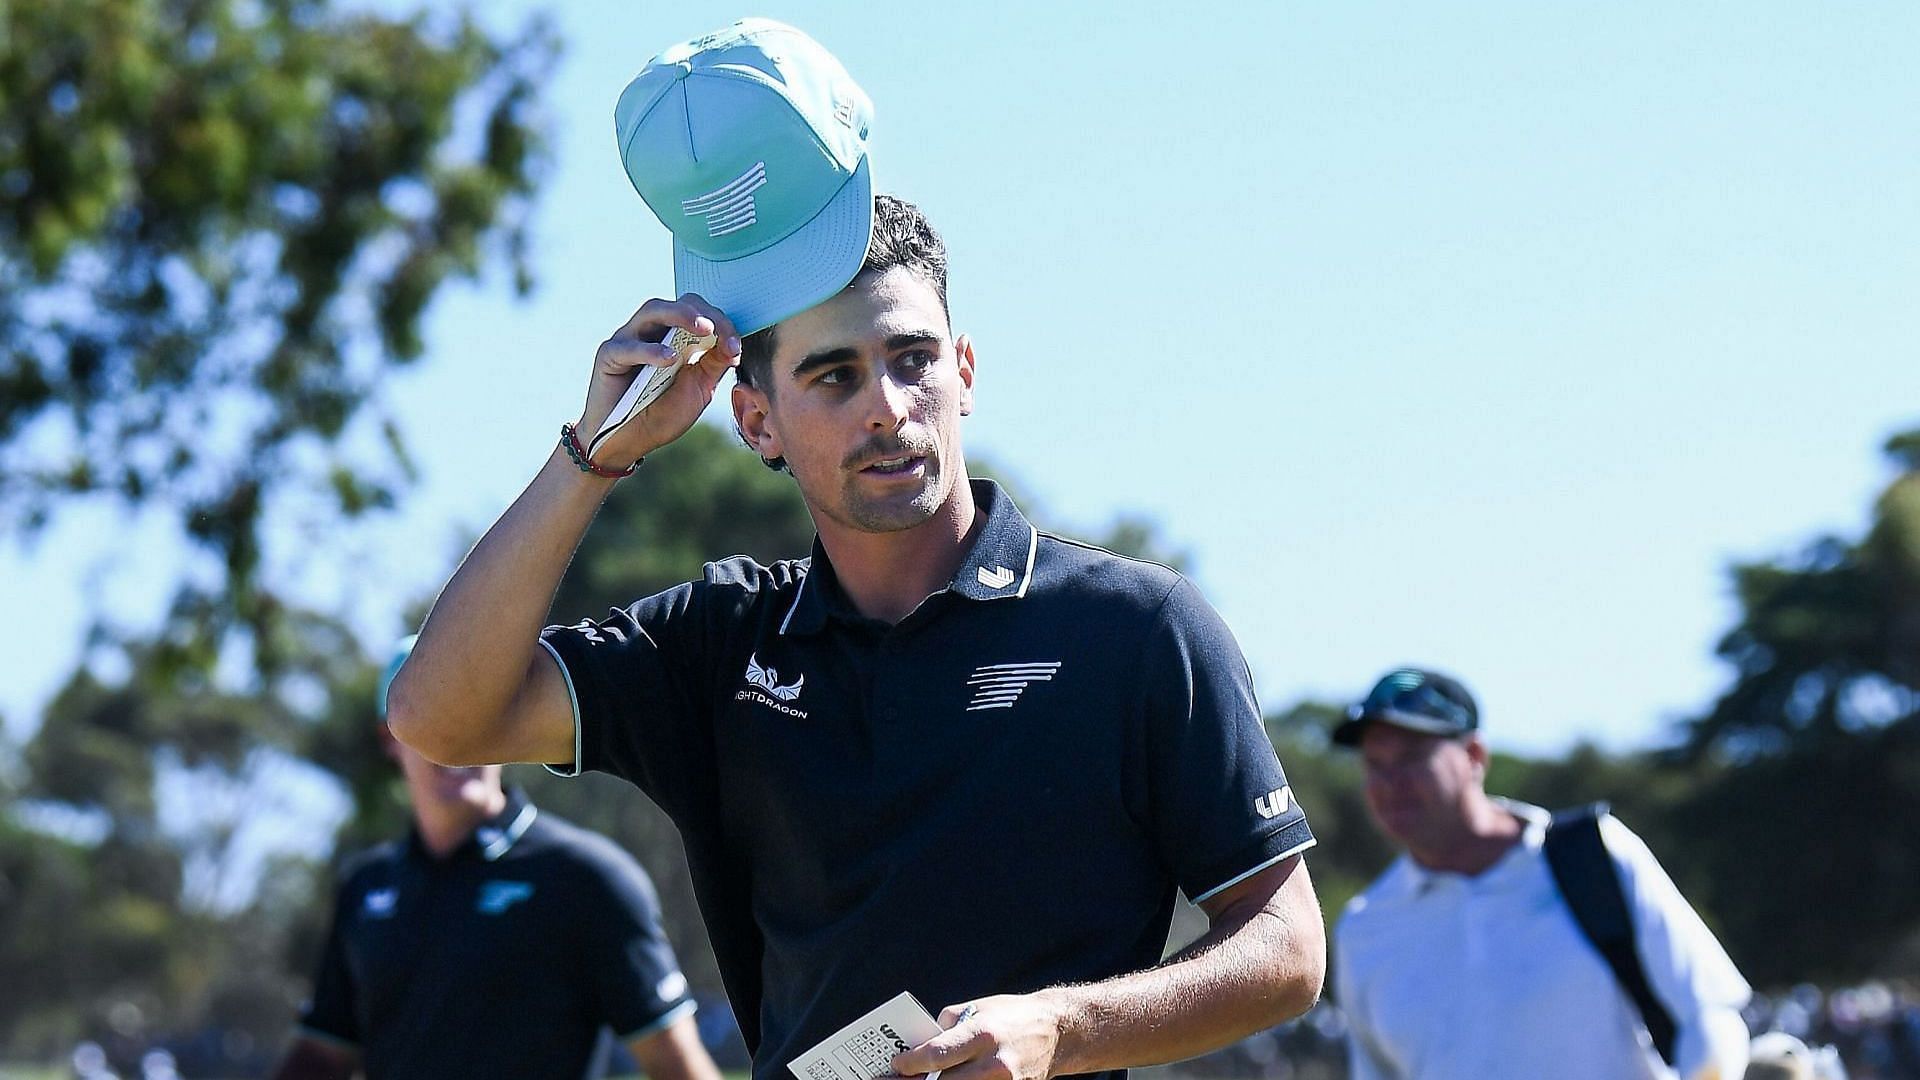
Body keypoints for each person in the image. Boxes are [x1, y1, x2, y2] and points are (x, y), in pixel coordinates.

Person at [385, 18, 1324, 1080]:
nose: (887, 407)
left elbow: (1287, 949)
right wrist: (592, 457)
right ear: (756, 422)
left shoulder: (1138, 627)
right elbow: (437, 717)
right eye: (833, 376)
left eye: (913, 359)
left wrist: (1062, 1025)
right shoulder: (716, 643)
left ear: (965, 370)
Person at [272, 639, 721, 1080]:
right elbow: (321, 1056)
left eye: (471, 713)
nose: (452, 739)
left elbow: (674, 1064)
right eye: (427, 720)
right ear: (389, 739)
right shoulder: (364, 888)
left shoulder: (588, 877)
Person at [1330, 667, 1752, 1080]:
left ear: (1474, 756)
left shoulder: (1591, 854)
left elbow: (1708, 1014)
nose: (1390, 781)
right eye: (1374, 764)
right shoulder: (1364, 928)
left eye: (1411, 758)